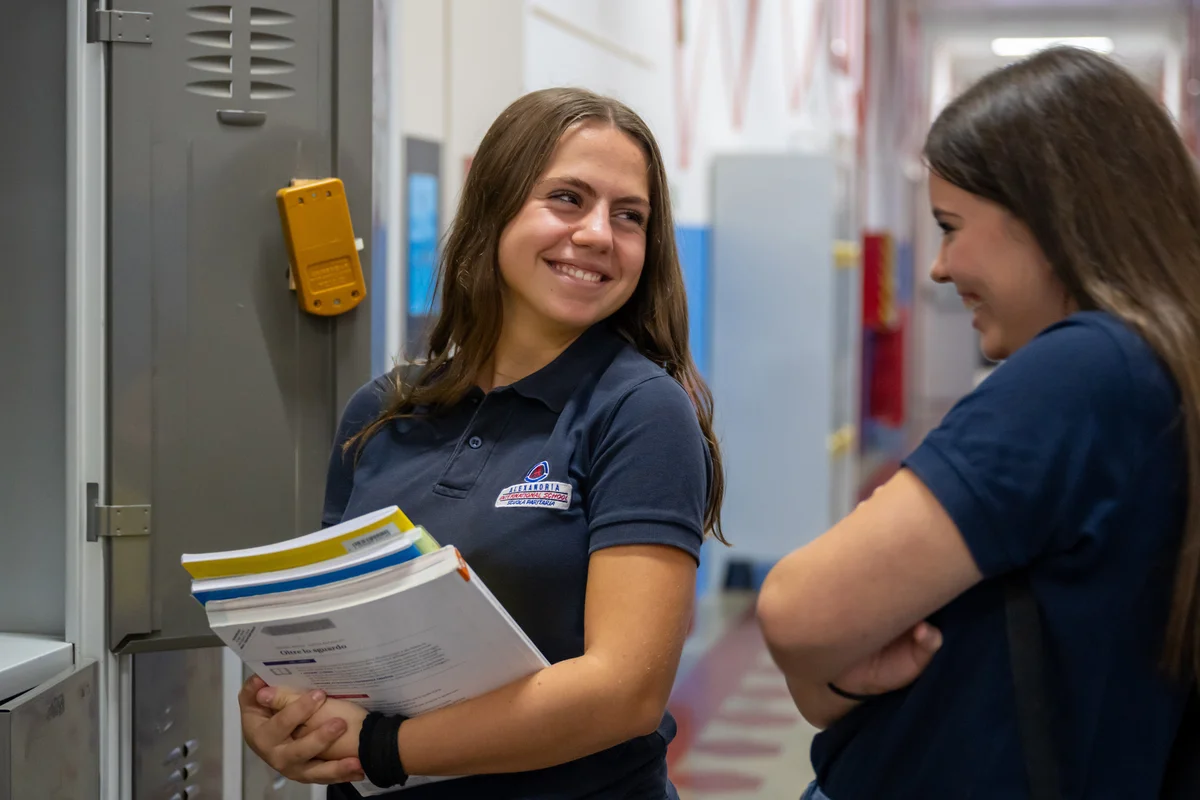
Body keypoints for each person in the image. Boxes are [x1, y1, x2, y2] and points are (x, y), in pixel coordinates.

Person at [237, 86, 726, 799]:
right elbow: (325, 644)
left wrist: (380, 748)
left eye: (630, 216)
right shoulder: (381, 413)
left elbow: (624, 693)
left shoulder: (639, 412)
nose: (597, 234)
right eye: (567, 198)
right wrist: (281, 725)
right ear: (494, 209)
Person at [758, 46, 1200, 798]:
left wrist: (826, 666)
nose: (936, 267)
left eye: (950, 226)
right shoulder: (1164, 368)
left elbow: (796, 611)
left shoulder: (1085, 372)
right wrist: (829, 675)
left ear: (1049, 215)